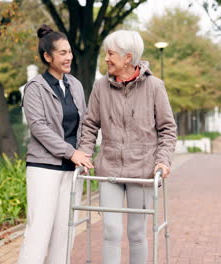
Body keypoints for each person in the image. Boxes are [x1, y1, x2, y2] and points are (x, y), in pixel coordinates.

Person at [76, 30, 177, 264]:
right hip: (109, 167)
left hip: (142, 170)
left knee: (136, 232)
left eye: (111, 54)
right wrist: (85, 153)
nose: (107, 59)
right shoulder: (101, 86)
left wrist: (163, 160)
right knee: (111, 231)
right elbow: (90, 124)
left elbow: (167, 129)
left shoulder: (154, 87)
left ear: (128, 58)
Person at [17, 24, 93, 264]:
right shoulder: (34, 88)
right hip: (44, 168)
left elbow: (85, 122)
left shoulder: (76, 85)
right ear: (47, 57)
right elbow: (39, 128)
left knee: (65, 234)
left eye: (69, 51)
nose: (68, 56)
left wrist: (83, 153)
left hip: (72, 170)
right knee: (39, 232)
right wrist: (72, 152)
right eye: (62, 53)